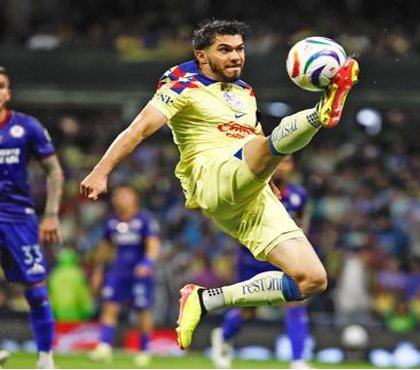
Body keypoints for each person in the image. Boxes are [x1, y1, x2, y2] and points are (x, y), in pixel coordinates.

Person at [80, 19, 359, 350]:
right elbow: (139, 128)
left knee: (312, 279)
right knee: (263, 145)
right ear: (202, 56)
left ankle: (205, 300)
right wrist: (101, 171)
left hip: (249, 192)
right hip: (210, 176)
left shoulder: (245, 92)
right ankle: (319, 112)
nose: (235, 57)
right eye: (224, 50)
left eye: (239, 49)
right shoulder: (180, 86)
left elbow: (254, 137)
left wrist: (263, 176)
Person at [211, 157, 313, 369]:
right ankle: (224, 335)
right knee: (248, 310)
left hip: (285, 258)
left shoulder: (298, 195)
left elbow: (302, 224)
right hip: (253, 259)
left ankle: (297, 360)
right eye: (279, 162)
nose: (282, 167)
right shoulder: (253, 190)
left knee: (296, 301)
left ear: (292, 167)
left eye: (287, 163)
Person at [0, 66, 64, 369]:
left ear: (8, 93)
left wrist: (50, 215)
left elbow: (54, 171)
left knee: (36, 291)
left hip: (17, 218)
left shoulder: (26, 126)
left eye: (1, 85)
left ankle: (45, 358)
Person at [89, 186, 161, 366]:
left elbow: (153, 243)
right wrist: (98, 271)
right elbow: (104, 247)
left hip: (139, 273)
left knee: (143, 310)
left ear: (135, 198)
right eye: (117, 196)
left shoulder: (145, 220)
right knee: (109, 307)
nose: (120, 199)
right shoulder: (111, 222)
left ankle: (144, 350)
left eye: (125, 195)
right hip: (117, 272)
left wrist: (147, 263)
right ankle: (104, 346)